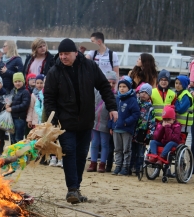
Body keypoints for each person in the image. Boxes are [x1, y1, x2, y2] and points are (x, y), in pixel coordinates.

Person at [44, 38, 117, 204]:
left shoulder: (90, 67)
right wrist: (53, 119)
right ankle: (72, 189)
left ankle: (76, 187)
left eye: (66, 54)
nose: (63, 57)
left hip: (85, 121)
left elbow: (104, 86)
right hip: (65, 122)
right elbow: (49, 98)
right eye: (61, 54)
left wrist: (112, 107)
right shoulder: (54, 72)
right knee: (69, 152)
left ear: (76, 53)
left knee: (82, 154)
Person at [87, 71, 118, 173]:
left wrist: (112, 125)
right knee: (95, 143)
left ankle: (102, 164)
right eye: (109, 82)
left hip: (106, 123)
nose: (111, 85)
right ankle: (93, 163)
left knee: (105, 144)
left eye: (113, 83)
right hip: (95, 121)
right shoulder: (97, 91)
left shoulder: (115, 96)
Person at [110, 76, 140, 176]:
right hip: (116, 128)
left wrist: (126, 122)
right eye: (120, 86)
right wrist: (111, 125)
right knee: (117, 149)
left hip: (126, 129)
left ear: (129, 88)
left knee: (126, 149)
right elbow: (111, 113)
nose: (122, 88)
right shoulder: (117, 99)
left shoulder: (132, 100)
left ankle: (126, 167)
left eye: (124, 87)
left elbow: (136, 114)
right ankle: (118, 166)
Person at [130, 83, 156, 175]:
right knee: (131, 151)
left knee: (141, 153)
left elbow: (152, 123)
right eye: (142, 92)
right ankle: (130, 167)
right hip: (133, 131)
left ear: (149, 95)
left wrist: (149, 135)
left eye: (146, 93)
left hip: (143, 133)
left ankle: (139, 169)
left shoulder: (150, 108)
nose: (143, 94)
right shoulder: (135, 103)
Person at [6, 72, 30, 144]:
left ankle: (19, 154)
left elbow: (24, 105)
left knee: (18, 139)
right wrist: (7, 104)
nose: (17, 83)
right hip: (12, 118)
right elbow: (10, 100)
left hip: (19, 119)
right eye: (15, 82)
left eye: (19, 81)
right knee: (12, 138)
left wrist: (12, 109)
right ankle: (13, 153)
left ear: (23, 81)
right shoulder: (13, 91)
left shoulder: (25, 92)